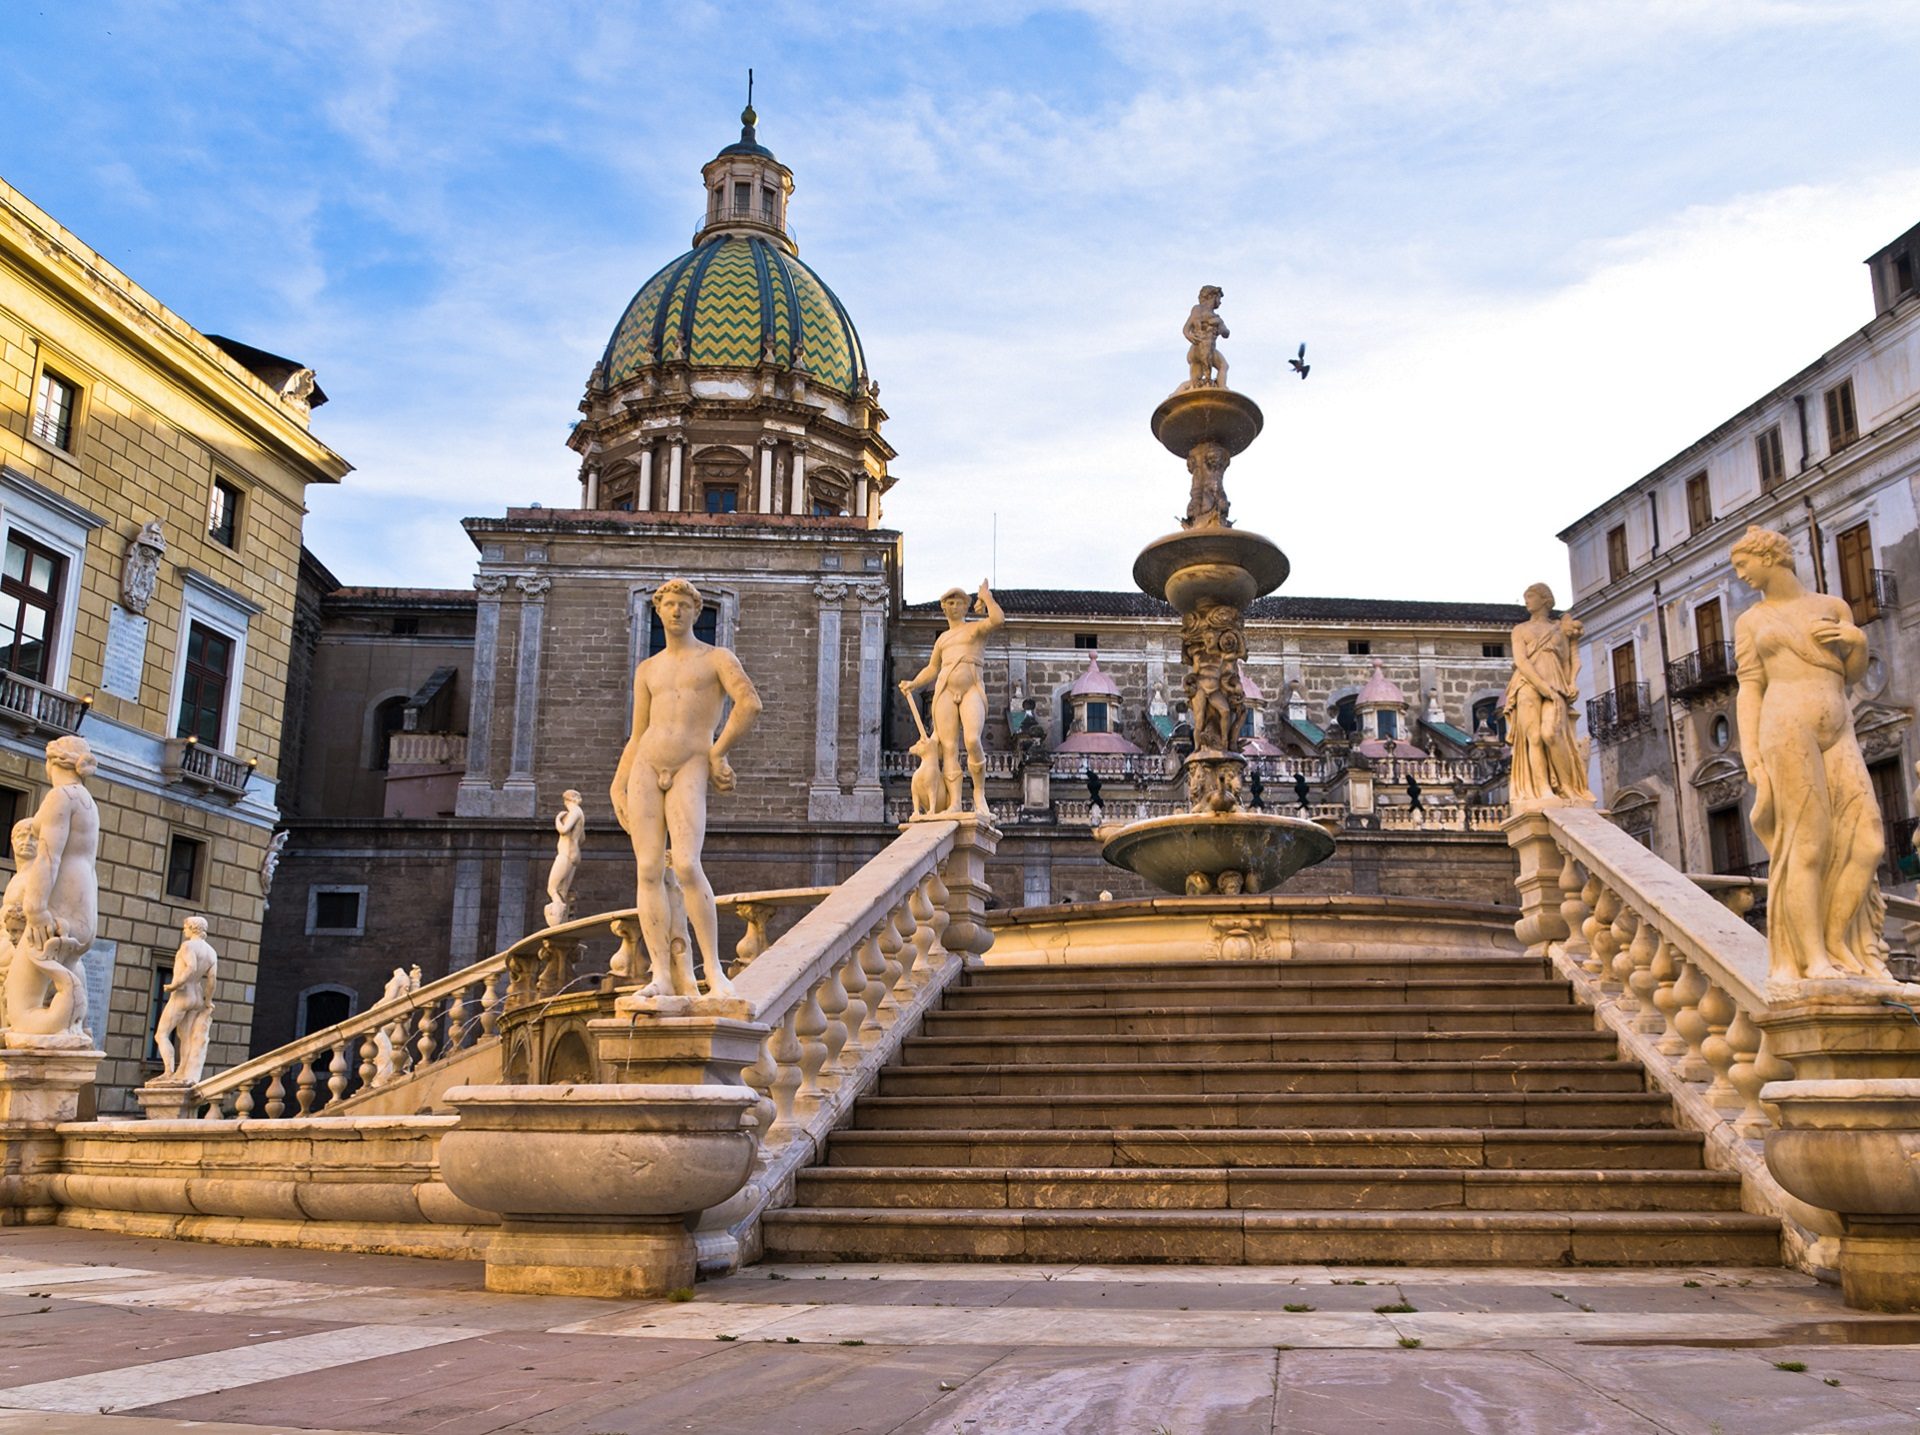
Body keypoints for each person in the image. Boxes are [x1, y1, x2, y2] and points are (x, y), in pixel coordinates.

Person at [1731, 525, 1889, 984]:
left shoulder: (1831, 607)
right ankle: (1812, 958)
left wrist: (1857, 643)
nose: (1741, 575)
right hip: (1786, 725)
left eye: (1744, 564)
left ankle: (1837, 940)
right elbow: (1750, 688)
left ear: (1768, 556)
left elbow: (1849, 675)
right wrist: (1752, 751)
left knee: (1868, 839)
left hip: (1838, 722)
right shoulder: (1752, 622)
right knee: (1808, 842)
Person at [612, 579, 762, 999]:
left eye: (683, 605)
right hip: (645, 765)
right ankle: (660, 974)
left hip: (691, 763)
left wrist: (718, 752)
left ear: (697, 612)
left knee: (687, 866)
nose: (675, 611)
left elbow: (749, 703)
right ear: (658, 611)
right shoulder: (648, 669)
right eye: (669, 605)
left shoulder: (716, 658)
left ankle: (713, 972)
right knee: (646, 870)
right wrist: (618, 782)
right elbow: (637, 732)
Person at [899, 580, 1004, 815]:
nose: (954, 606)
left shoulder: (974, 630)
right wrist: (914, 683)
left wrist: (986, 598)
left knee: (972, 740)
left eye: (958, 602)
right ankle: (955, 803)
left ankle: (978, 794)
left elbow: (998, 620)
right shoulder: (942, 640)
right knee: (948, 749)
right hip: (944, 690)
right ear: (943, 608)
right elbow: (932, 668)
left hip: (971, 689)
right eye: (949, 602)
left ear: (966, 606)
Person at [1502, 584, 1593, 807]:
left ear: (1545, 600)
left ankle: (1567, 787)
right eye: (1526, 597)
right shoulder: (1520, 630)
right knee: (1533, 737)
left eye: (1530, 597)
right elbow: (1521, 661)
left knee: (1551, 734)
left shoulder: (1560, 629)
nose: (1526, 602)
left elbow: (1572, 660)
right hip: (1527, 685)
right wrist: (1542, 687)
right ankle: (1544, 790)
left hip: (1556, 684)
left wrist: (1572, 682)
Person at [153, 916, 217, 1084]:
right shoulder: (211, 952)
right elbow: (212, 981)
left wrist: (174, 984)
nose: (184, 930)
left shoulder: (187, 946)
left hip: (183, 994)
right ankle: (184, 1072)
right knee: (186, 1036)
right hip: (197, 995)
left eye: (185, 927)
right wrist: (208, 1000)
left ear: (192, 928)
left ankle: (168, 1072)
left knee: (161, 1034)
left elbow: (191, 967)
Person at [1183, 285, 1229, 388]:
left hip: (1194, 350)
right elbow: (1226, 333)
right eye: (1219, 298)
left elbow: (1186, 329)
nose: (1220, 302)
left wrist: (1190, 336)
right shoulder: (1216, 319)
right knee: (1223, 366)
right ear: (1213, 296)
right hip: (1207, 349)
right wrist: (1222, 330)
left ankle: (1178, 393)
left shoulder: (1196, 310)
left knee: (1195, 382)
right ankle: (1222, 388)